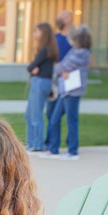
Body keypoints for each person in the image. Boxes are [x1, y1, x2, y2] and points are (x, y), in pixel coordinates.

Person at [43, 25, 92, 160]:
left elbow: (62, 67)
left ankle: (72, 151)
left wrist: (62, 70)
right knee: (54, 119)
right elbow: (61, 66)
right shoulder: (74, 51)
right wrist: (61, 69)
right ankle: (54, 149)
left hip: (72, 92)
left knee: (71, 121)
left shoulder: (82, 53)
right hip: (65, 91)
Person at [24, 22, 59, 153]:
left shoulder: (45, 49)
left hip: (40, 83)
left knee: (35, 115)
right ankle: (31, 142)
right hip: (42, 82)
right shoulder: (47, 49)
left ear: (43, 33)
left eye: (36, 31)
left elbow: (30, 66)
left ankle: (37, 144)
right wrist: (33, 68)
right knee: (29, 115)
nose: (34, 34)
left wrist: (32, 68)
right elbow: (33, 67)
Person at [45, 10, 74, 125]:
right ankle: (51, 141)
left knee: (64, 113)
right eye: (59, 17)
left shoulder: (75, 39)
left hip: (69, 80)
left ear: (70, 19)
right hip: (55, 81)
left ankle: (58, 141)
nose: (60, 20)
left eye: (63, 17)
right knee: (50, 112)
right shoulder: (54, 38)